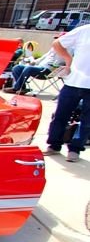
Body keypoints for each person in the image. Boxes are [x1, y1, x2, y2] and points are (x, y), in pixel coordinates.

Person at [42, 24, 90, 162]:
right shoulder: (84, 31)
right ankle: (54, 144)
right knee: (60, 116)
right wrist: (68, 60)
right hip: (73, 83)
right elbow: (58, 43)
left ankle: (75, 149)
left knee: (87, 121)